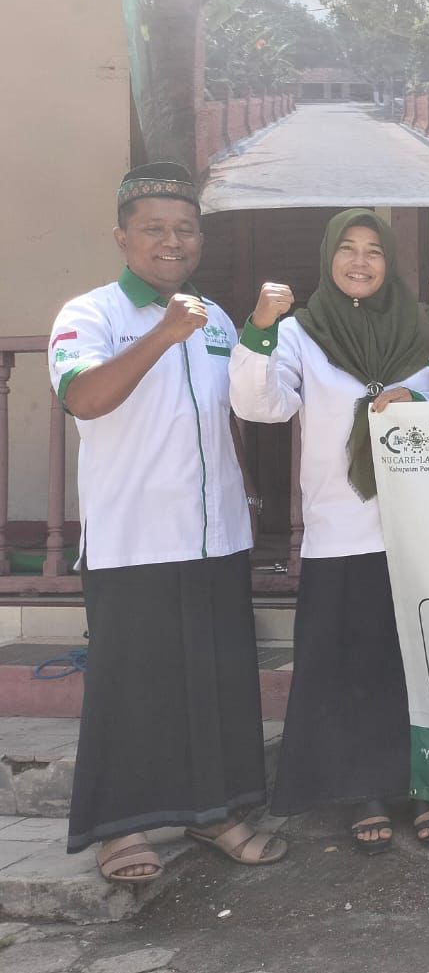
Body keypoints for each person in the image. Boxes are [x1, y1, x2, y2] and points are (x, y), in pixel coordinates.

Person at [47, 162, 286, 884]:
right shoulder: (90, 314)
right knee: (133, 688)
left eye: (185, 230)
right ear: (123, 238)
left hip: (215, 535)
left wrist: (243, 490)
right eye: (154, 229)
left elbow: (220, 416)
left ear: (200, 240)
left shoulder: (213, 317)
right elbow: (85, 399)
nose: (171, 242)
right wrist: (161, 335)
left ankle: (215, 814)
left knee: (215, 683)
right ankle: (119, 832)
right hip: (135, 538)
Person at [230, 208, 429, 854]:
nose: (362, 261)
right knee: (354, 669)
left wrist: (419, 403)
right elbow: (259, 405)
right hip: (340, 528)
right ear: (328, 258)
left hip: (419, 529)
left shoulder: (428, 329)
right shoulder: (300, 335)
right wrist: (259, 328)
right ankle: (363, 789)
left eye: (375, 250)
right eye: (348, 249)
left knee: (419, 666)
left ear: (391, 260)